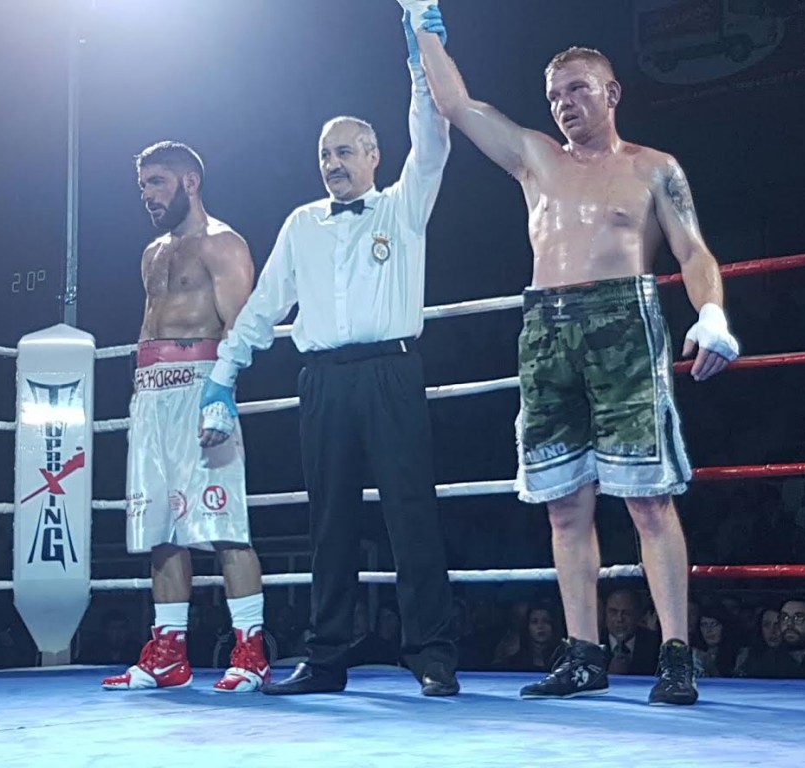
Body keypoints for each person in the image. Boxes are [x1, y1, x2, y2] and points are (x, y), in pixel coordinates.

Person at [409, 3, 739, 703]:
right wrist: (421, 20)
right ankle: (584, 655)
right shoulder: (534, 158)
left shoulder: (654, 169)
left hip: (624, 319)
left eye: (578, 89)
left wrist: (711, 312)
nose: (564, 104)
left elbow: (694, 251)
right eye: (555, 94)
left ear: (612, 93)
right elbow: (456, 102)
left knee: (649, 501)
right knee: (564, 506)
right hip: (546, 327)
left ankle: (677, 654)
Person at [199, 11, 458, 697]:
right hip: (323, 382)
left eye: (346, 151)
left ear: (374, 157)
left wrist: (418, 56)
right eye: (325, 154)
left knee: (412, 513)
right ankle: (326, 656)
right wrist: (223, 376)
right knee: (330, 521)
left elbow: (431, 140)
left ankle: (431, 652)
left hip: (392, 372)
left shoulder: (403, 207)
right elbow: (264, 306)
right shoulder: (300, 225)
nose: (334, 164)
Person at [101, 141, 270, 693]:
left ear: (189, 182)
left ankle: (250, 647)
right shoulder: (152, 252)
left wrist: (222, 393)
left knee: (225, 525)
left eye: (157, 183)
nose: (147, 196)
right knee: (161, 530)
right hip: (150, 395)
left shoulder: (223, 244)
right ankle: (168, 653)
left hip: (202, 387)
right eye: (143, 185)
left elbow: (241, 328)